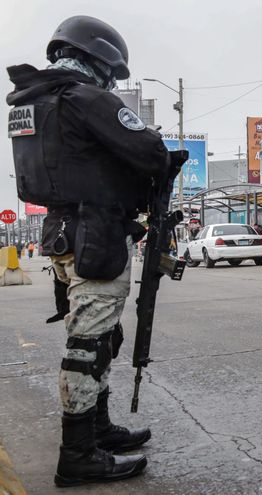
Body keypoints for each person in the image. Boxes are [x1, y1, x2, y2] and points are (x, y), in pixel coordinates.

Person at [8, 15, 172, 486]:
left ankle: (97, 429)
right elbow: (152, 151)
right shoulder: (86, 98)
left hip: (62, 229)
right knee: (89, 344)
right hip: (97, 230)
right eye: (111, 72)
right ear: (98, 59)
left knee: (101, 337)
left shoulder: (33, 102)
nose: (110, 81)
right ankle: (78, 453)